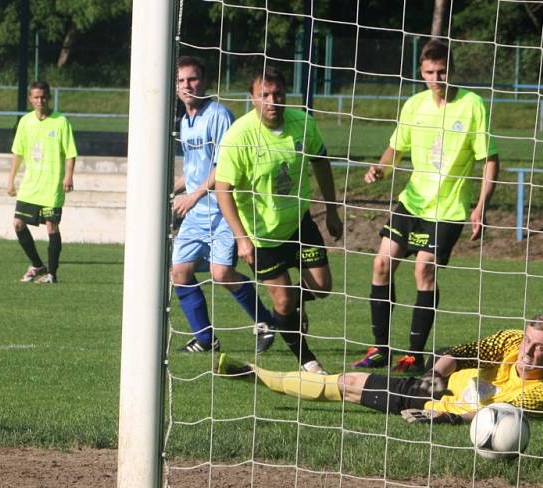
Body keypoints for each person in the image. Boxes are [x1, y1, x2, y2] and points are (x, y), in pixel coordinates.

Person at [355, 39, 500, 372]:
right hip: (413, 201)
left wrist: (480, 206)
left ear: (452, 70)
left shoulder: (472, 105)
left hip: (448, 209)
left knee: (423, 269)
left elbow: (490, 160)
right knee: (380, 264)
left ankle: (413, 353)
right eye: (430, 72)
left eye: (443, 72)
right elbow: (396, 148)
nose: (437, 79)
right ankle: (379, 348)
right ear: (421, 73)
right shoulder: (414, 105)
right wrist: (380, 167)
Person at [215, 66, 343, 374]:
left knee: (323, 287)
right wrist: (241, 238)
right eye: (265, 95)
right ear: (252, 99)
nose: (273, 101)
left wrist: (332, 209)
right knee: (283, 303)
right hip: (261, 236)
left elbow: (321, 162)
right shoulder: (239, 137)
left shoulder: (303, 123)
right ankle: (308, 361)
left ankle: (286, 305)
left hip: (299, 222)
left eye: (278, 94)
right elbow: (223, 189)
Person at [218, 314, 543, 424]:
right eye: (527, 342)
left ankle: (258, 375)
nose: (528, 352)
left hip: (438, 406)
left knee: (350, 386)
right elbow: (464, 351)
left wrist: (442, 417)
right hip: (436, 384)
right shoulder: (510, 341)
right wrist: (437, 376)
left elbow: (497, 415)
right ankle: (259, 374)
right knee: (348, 380)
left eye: (539, 348)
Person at [172, 56, 276, 354]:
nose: (187, 85)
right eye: (181, 81)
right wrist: (177, 188)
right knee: (179, 272)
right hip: (195, 213)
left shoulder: (217, 115)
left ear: (204, 82)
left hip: (221, 211)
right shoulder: (185, 120)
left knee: (222, 275)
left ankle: (265, 322)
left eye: (192, 79)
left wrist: (193, 195)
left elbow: (223, 168)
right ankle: (205, 339)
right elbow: (196, 168)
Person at [7, 81, 77, 284]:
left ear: (49, 98)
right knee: (18, 224)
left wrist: (69, 176)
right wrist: (11, 180)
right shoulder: (25, 122)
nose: (40, 101)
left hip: (52, 186)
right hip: (30, 186)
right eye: (36, 97)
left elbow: (71, 153)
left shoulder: (61, 122)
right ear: (30, 99)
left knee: (51, 228)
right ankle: (37, 265)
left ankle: (52, 274)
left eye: (43, 97)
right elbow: (17, 153)